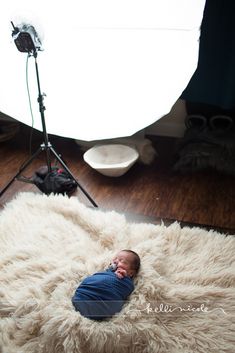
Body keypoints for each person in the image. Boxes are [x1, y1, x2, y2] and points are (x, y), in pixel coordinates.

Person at [72, 249, 140, 320]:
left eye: (122, 261)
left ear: (131, 273)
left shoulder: (125, 281)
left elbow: (127, 289)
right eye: (115, 259)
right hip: (83, 295)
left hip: (101, 305)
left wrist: (124, 278)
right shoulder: (107, 272)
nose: (116, 261)